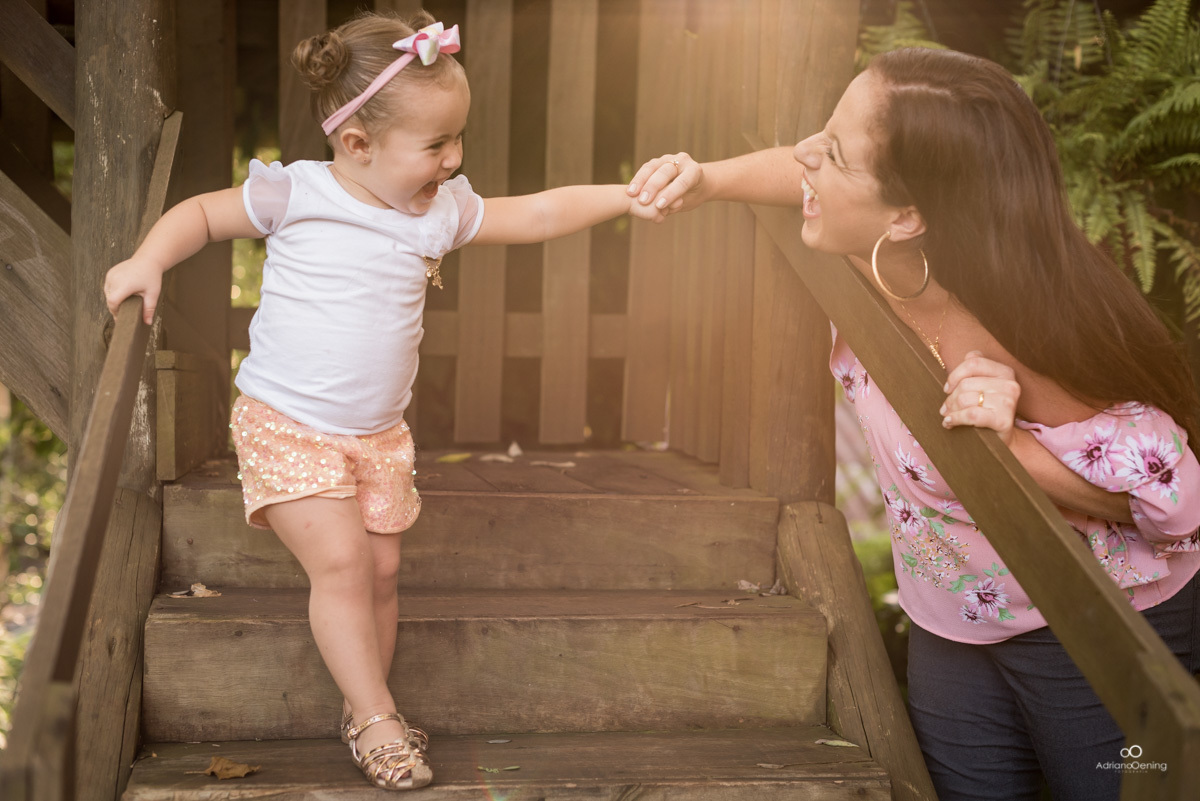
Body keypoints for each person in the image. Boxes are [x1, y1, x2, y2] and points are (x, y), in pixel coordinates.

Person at [104, 11, 660, 791]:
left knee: (384, 570)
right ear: (357, 142)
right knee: (341, 561)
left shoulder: (437, 211)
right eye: (436, 145)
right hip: (287, 425)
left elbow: (536, 213)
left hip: (378, 437)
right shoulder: (297, 194)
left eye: (458, 138)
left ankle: (361, 699)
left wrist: (627, 196)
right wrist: (147, 261)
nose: (454, 158)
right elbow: (200, 213)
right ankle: (377, 718)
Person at [627, 47, 1200, 801]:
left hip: (1091, 624)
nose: (805, 156)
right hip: (950, 624)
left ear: (906, 216)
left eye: (833, 153)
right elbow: (798, 172)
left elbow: (1176, 504)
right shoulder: (870, 250)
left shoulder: (1020, 329)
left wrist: (1008, 449)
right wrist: (708, 179)